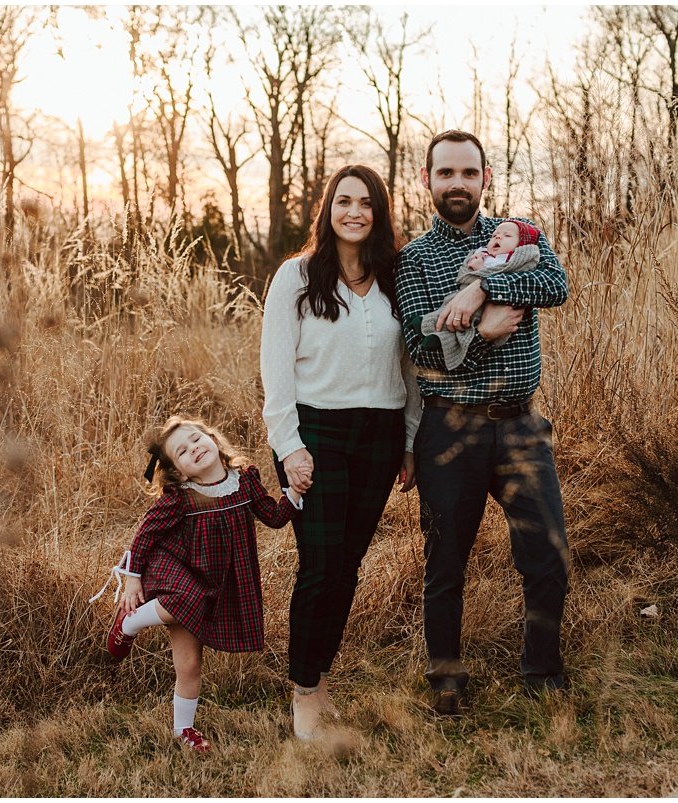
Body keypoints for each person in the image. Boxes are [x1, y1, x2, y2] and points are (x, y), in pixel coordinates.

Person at [394, 130, 570, 715]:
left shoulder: (519, 237)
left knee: (547, 553)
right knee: (445, 561)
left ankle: (542, 674)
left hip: (521, 426)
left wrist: (481, 287)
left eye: (468, 173)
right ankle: (446, 679)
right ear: (427, 181)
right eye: (445, 173)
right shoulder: (415, 258)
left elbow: (555, 286)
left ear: (485, 178)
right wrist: (480, 332)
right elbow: (420, 342)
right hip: (450, 429)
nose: (457, 184)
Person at [260, 164, 421, 741]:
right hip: (315, 434)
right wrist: (289, 447)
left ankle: (320, 677)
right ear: (328, 209)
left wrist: (407, 440)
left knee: (347, 567)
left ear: (379, 213)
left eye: (367, 203)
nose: (354, 211)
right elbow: (275, 372)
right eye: (344, 201)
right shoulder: (297, 277)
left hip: (378, 437)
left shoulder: (393, 279)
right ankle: (304, 692)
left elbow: (410, 370)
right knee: (321, 567)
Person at [91, 415, 302, 753]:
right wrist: (131, 579)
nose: (194, 449)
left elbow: (272, 517)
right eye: (183, 452)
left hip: (214, 583)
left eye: (195, 440)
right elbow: (145, 535)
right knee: (187, 599)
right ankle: (129, 621)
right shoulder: (182, 497)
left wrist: (293, 497)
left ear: (213, 440)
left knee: (189, 665)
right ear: (181, 471)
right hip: (177, 569)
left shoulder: (244, 481)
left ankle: (183, 730)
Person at [411, 218, 542, 369]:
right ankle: (427, 323)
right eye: (494, 236)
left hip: (498, 309)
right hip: (456, 387)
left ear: (521, 245)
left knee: (466, 321)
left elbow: (554, 284)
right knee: (451, 307)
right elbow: (418, 356)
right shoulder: (414, 255)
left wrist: (484, 286)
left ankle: (438, 337)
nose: (498, 237)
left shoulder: (514, 259)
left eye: (507, 236)